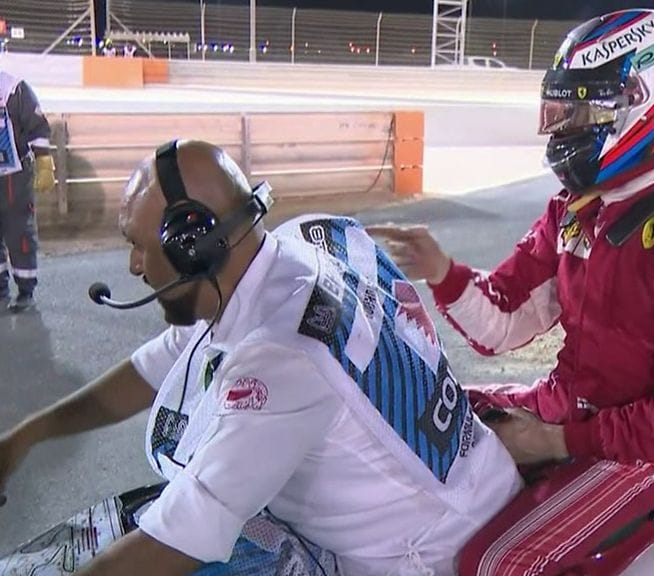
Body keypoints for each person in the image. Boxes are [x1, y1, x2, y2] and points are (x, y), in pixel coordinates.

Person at [368, 9, 654, 575]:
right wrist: (441, 270)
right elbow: (502, 324)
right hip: (563, 406)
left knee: (496, 564)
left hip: (640, 455)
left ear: (650, 106)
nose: (565, 129)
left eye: (587, 110)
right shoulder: (575, 212)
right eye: (563, 110)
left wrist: (555, 441)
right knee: (405, 409)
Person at [0, 140, 521, 575]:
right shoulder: (289, 254)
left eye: (139, 246)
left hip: (431, 551)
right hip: (463, 489)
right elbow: (156, 367)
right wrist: (27, 435)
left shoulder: (282, 357)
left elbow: (185, 533)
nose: (135, 266)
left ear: (193, 249)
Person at [0, 67, 54, 312]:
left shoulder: (15, 89)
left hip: (15, 176)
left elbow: (38, 127)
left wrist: (44, 162)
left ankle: (25, 290)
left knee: (19, 231)